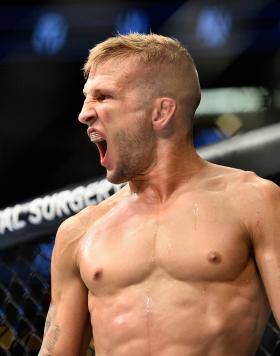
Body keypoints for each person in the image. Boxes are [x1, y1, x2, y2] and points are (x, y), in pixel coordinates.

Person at [39, 33, 280, 356]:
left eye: (104, 96)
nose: (84, 113)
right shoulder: (79, 233)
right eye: (86, 98)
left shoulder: (253, 202)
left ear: (160, 112)